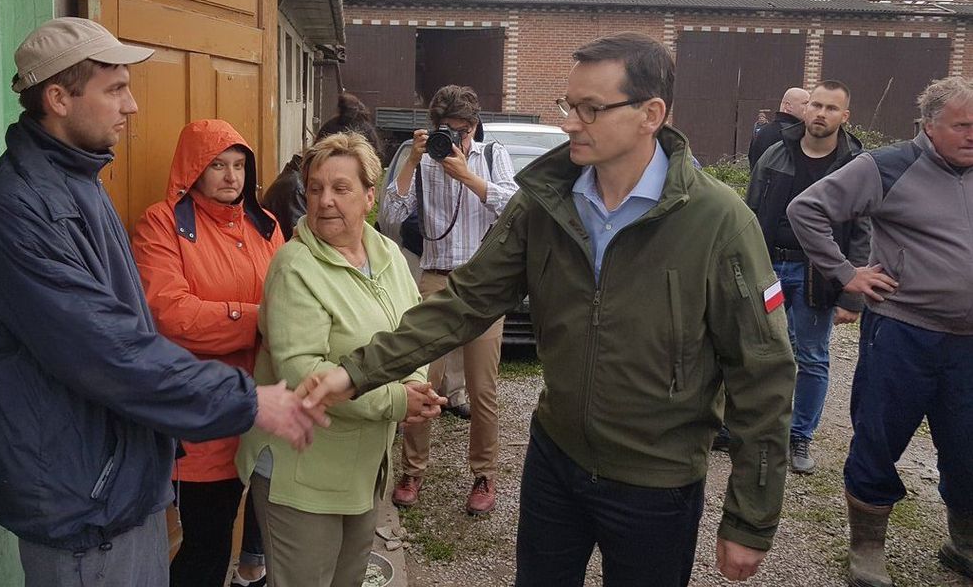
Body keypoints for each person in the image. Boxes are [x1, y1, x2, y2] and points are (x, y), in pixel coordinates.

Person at [300, 32, 796, 586]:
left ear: (650, 113)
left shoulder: (720, 222)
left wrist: (750, 519)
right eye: (568, 105)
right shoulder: (544, 204)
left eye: (590, 109)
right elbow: (466, 302)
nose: (569, 123)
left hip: (657, 484)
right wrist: (357, 370)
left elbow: (763, 371)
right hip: (555, 463)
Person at [0, 17, 323, 586]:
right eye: (115, 88)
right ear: (58, 98)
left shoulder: (77, 183)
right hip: (81, 501)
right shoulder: (20, 210)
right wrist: (249, 399)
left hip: (118, 481)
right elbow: (111, 350)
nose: (133, 106)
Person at [787, 76, 973, 587]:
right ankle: (866, 549)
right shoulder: (887, 166)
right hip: (903, 333)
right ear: (929, 126)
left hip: (969, 344)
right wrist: (847, 273)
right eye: (964, 125)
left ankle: (963, 544)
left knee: (967, 445)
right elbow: (807, 210)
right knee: (878, 439)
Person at [237, 132, 442, 587]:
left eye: (341, 188)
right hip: (303, 471)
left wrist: (415, 385)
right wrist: (397, 401)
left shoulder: (385, 253)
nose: (325, 200)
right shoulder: (295, 267)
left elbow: (415, 334)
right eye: (314, 188)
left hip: (362, 469)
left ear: (370, 195)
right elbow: (303, 374)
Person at [132, 120, 280, 586]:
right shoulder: (162, 223)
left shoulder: (266, 224)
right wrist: (261, 320)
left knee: (264, 541)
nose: (231, 176)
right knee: (206, 546)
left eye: (239, 165)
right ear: (193, 168)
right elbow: (171, 315)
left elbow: (295, 297)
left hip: (264, 409)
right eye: (217, 164)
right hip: (201, 415)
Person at [378, 84, 518, 515]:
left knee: (482, 387)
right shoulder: (419, 157)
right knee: (423, 381)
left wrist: (470, 178)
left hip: (482, 285)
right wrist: (416, 158)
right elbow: (389, 217)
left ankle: (484, 475)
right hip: (435, 281)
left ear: (474, 127)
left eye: (459, 130)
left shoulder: (492, 156)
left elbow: (517, 208)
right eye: (444, 130)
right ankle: (412, 470)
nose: (452, 138)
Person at [745, 80, 869, 474]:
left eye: (831, 108)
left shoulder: (854, 166)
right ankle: (748, 428)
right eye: (816, 105)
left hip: (819, 275)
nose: (820, 113)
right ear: (804, 108)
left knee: (812, 355)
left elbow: (864, 232)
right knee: (758, 350)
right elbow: (747, 217)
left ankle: (799, 436)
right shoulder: (775, 154)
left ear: (844, 116)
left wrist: (852, 295)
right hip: (770, 269)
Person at [263, 93, 380, 242]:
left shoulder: (384, 250)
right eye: (315, 190)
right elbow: (314, 244)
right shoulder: (296, 188)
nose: (325, 201)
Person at [749, 86, 810, 170]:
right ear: (788, 106)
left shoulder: (763, 131)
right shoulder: (793, 133)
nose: (809, 108)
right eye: (805, 103)